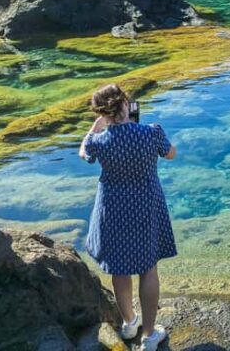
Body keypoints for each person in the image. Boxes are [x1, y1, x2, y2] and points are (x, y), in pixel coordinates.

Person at [79, 84, 178, 351]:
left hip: (112, 210)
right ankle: (148, 335)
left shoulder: (100, 140)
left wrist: (95, 127)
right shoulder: (150, 132)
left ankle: (129, 322)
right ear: (125, 103)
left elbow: (84, 152)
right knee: (148, 269)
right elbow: (171, 154)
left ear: (102, 112)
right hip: (146, 206)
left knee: (118, 268)